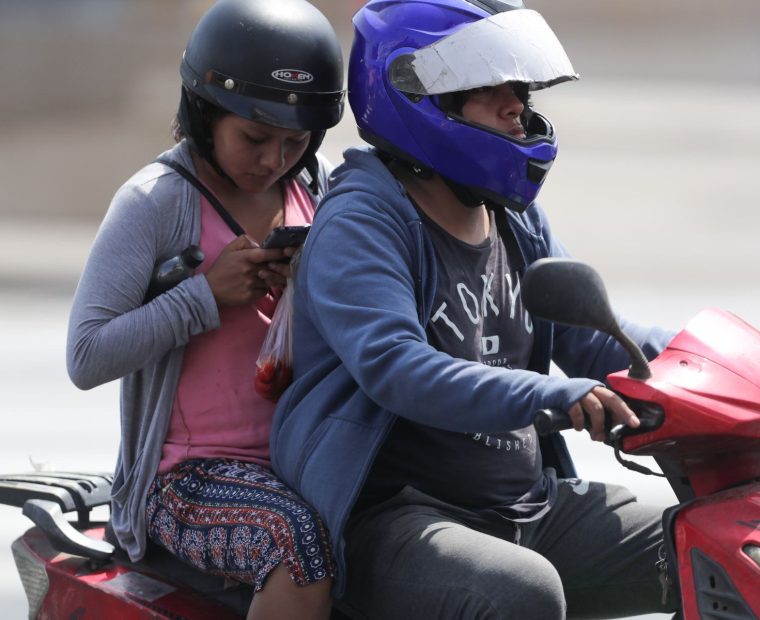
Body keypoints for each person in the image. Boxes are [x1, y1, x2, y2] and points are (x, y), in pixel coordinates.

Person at [271, 0, 678, 618]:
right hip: (397, 521)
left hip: (527, 507)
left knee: (715, 546)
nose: (517, 104)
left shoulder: (510, 213)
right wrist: (552, 396)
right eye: (491, 87)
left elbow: (595, 338)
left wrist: (717, 360)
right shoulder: (362, 222)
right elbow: (397, 367)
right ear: (420, 95)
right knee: (522, 593)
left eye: (519, 85)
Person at [66, 1, 344, 618]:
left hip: (302, 457)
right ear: (206, 112)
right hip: (185, 480)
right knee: (293, 541)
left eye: (294, 141)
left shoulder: (318, 185)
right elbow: (85, 355)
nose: (274, 160)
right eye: (254, 137)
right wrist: (202, 297)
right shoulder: (155, 202)